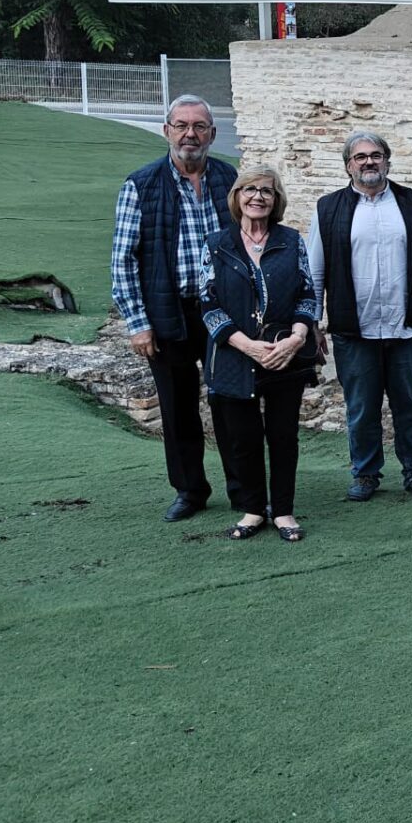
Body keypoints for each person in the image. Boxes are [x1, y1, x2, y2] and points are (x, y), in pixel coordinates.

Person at [111, 94, 239, 521]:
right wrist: (137, 323)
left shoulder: (228, 178)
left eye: (199, 126)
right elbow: (123, 259)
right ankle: (190, 490)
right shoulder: (141, 185)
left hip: (222, 311)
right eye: (181, 125)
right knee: (177, 405)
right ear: (166, 131)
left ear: (212, 134)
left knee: (231, 399)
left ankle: (244, 486)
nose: (190, 134)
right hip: (169, 311)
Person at [305, 131, 412, 504]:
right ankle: (365, 473)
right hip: (353, 327)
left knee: (409, 404)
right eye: (360, 157)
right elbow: (315, 269)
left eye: (376, 155)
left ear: (387, 161)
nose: (369, 162)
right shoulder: (328, 208)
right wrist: (314, 322)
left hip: (406, 324)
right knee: (361, 407)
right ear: (348, 165)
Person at [200, 166, 318, 542]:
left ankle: (283, 511)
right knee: (243, 438)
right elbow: (207, 303)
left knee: (283, 436)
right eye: (249, 190)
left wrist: (298, 337)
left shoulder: (291, 240)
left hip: (284, 354)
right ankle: (253, 510)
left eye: (266, 191)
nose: (258, 197)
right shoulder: (216, 243)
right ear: (237, 197)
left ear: (276, 199)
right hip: (236, 356)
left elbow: (307, 294)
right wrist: (244, 344)